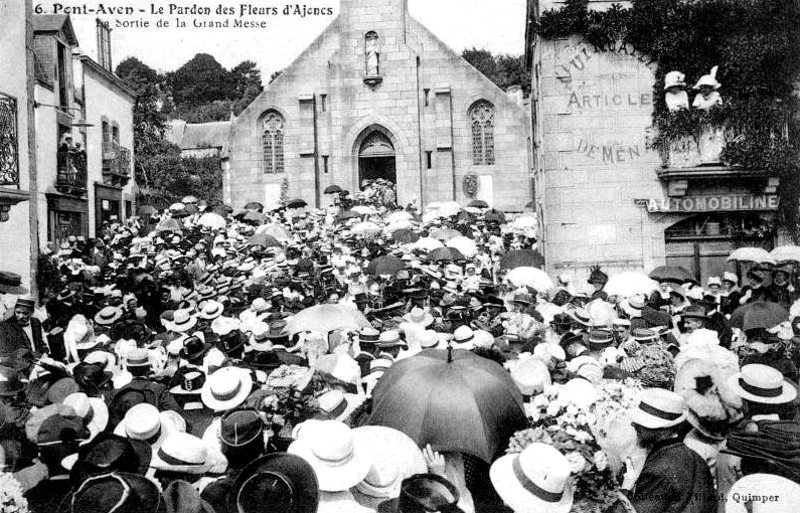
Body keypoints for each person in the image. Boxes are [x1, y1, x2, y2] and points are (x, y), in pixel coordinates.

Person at [619, 388, 716, 513]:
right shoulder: (695, 458)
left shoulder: (659, 470)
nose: (634, 425)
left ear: (661, 429)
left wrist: (625, 489)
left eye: (643, 423)